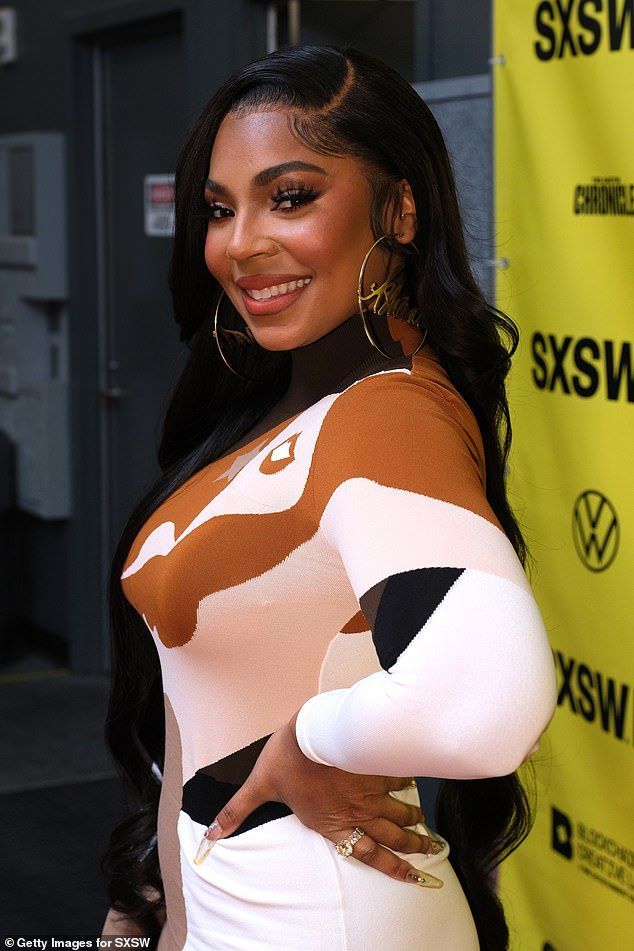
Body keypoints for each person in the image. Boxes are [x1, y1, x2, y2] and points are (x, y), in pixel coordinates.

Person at [100, 44, 557, 950]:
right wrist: (158, 902)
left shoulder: (386, 412)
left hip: (324, 914)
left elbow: (487, 698)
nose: (242, 243)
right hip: (226, 905)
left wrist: (309, 740)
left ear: (398, 207)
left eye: (292, 196)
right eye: (220, 209)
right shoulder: (282, 404)